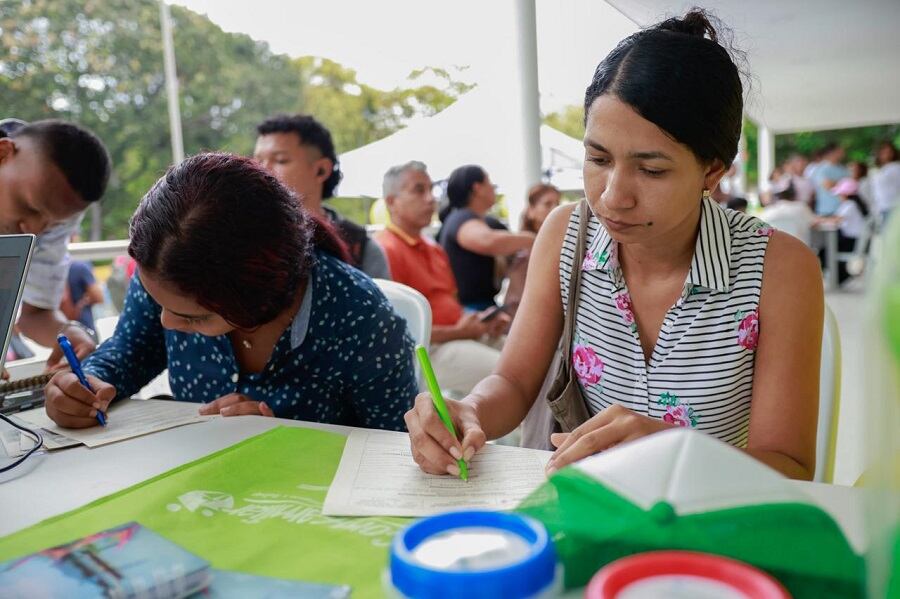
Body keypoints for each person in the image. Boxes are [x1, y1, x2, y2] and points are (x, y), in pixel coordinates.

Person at [406, 9, 822, 481]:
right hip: (593, 513)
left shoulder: (778, 269)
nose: (611, 196)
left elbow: (790, 468)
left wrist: (673, 450)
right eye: (598, 158)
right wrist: (471, 410)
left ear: (713, 170)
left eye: (652, 170)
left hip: (709, 525)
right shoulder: (566, 235)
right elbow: (514, 381)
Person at [45, 153, 418, 430]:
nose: (166, 321)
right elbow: (130, 352)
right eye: (157, 302)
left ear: (263, 296)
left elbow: (396, 446)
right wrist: (85, 384)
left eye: (196, 317)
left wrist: (290, 431)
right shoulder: (165, 272)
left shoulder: (360, 319)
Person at [376, 161, 507, 396]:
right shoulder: (385, 250)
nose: (430, 199)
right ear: (391, 202)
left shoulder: (433, 248)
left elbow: (450, 305)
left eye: (431, 189)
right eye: (419, 190)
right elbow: (399, 333)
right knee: (511, 376)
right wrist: (461, 331)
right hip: (425, 351)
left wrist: (480, 321)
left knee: (534, 362)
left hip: (458, 337)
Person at [0, 118, 110, 368]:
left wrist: (70, 332)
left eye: (53, 224)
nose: (35, 230)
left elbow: (35, 315)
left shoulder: (56, 203)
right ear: (3, 154)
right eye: (28, 208)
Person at [254, 114, 391, 279]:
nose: (263, 170)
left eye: (281, 160)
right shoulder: (248, 234)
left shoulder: (360, 247)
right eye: (258, 161)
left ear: (321, 170)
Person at [437, 165, 535, 311]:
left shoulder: (472, 219)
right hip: (471, 310)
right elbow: (489, 241)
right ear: (477, 188)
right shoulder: (462, 218)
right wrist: (534, 239)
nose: (493, 188)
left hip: (483, 306)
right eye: (489, 183)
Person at [820, 178, 870, 285]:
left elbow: (836, 219)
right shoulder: (855, 205)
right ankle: (835, 278)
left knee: (824, 252)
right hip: (854, 240)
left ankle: (834, 278)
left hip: (851, 241)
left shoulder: (849, 205)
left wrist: (818, 219)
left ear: (845, 194)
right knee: (825, 250)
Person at [760, 180, 815, 246]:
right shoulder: (801, 207)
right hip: (800, 248)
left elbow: (761, 231)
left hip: (777, 250)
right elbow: (814, 222)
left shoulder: (767, 211)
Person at [61, 259, 104, 333]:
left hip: (61, 328)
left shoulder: (55, 268)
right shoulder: (80, 267)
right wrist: (83, 301)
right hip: (84, 326)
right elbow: (98, 297)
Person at [811, 143, 848, 216]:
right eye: (840, 150)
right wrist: (843, 184)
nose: (843, 152)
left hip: (843, 209)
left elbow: (851, 184)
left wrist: (837, 184)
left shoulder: (842, 168)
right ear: (832, 152)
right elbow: (827, 185)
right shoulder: (821, 168)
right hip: (827, 211)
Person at [872, 140, 900, 224]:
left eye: (889, 152)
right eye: (883, 152)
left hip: (893, 207)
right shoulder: (881, 170)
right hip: (883, 207)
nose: (887, 154)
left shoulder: (896, 167)